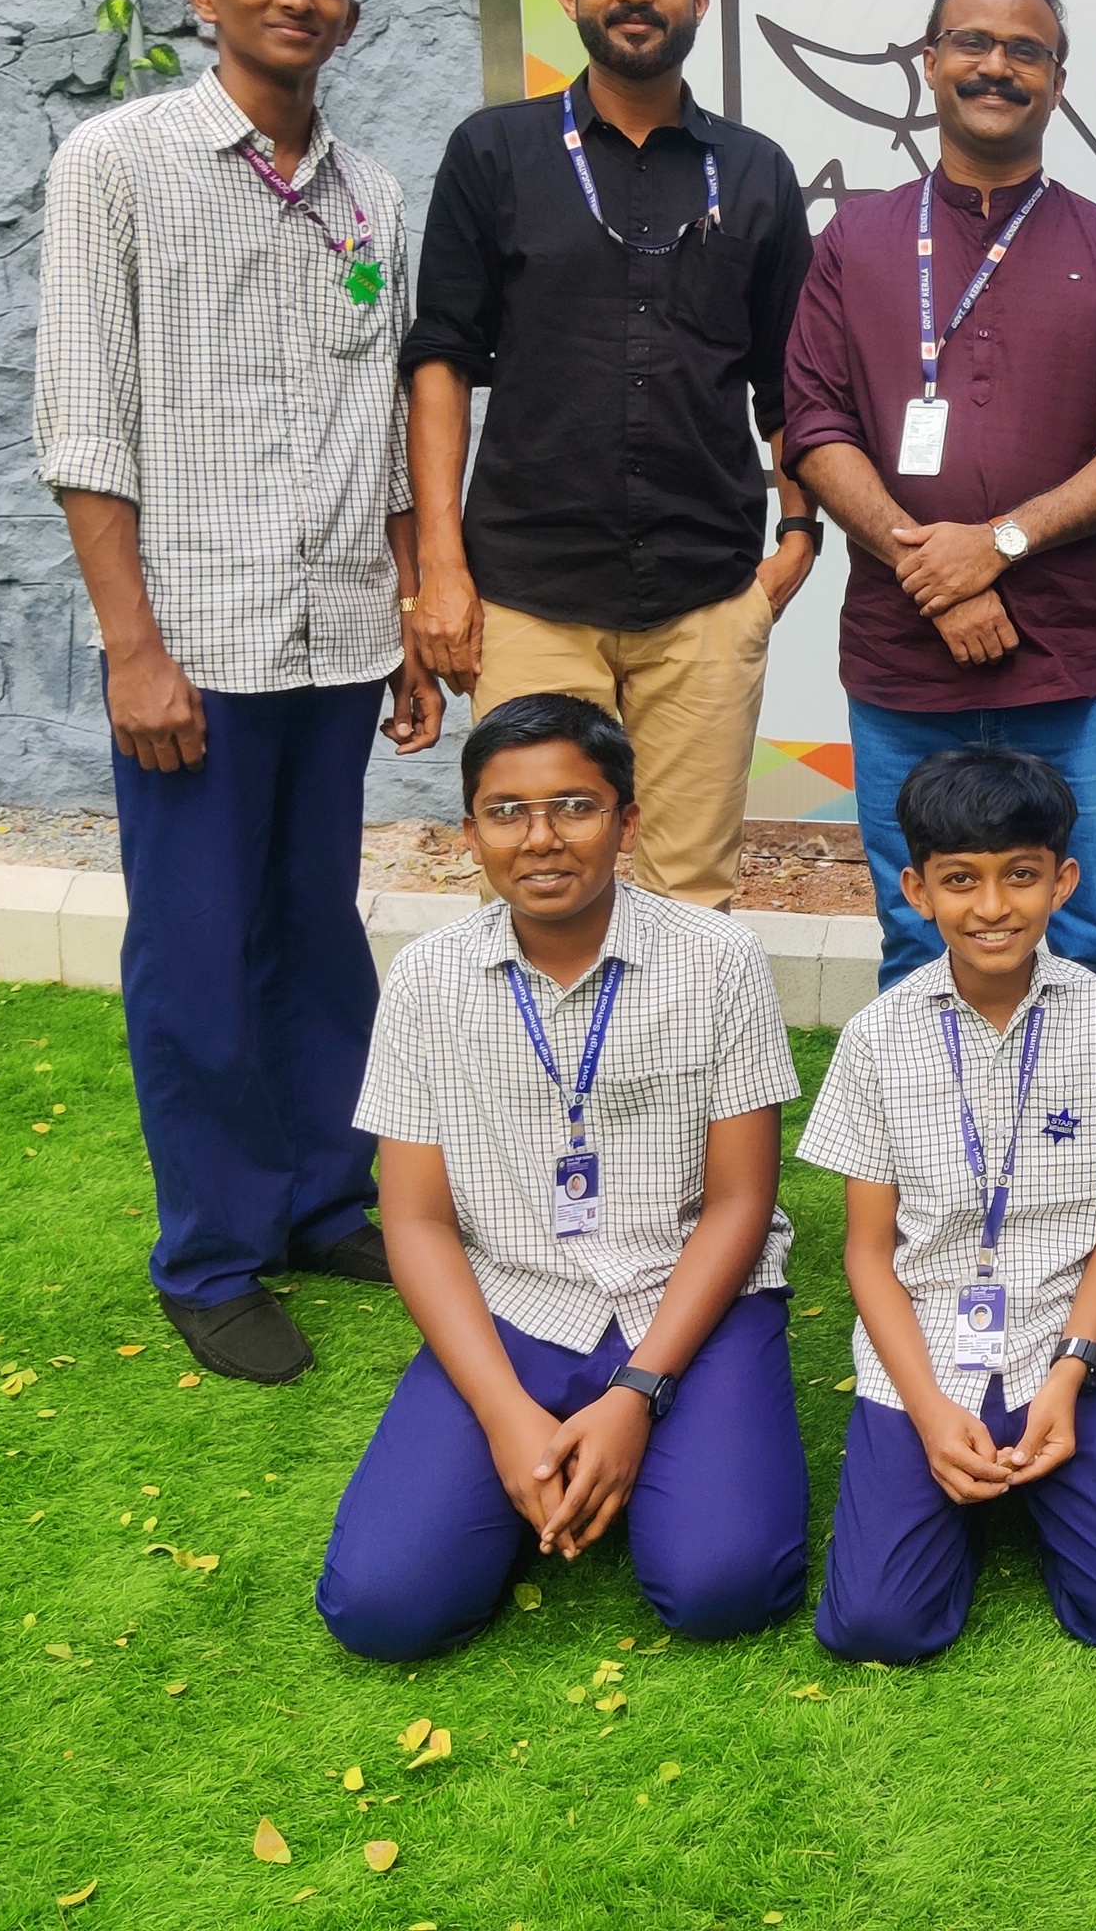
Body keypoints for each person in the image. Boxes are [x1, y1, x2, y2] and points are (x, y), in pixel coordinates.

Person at [33, 0, 443, 1384]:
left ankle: (322, 1202)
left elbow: (386, 430)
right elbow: (85, 428)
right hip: (192, 648)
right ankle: (209, 1254)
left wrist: (410, 617)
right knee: (197, 958)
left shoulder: (371, 197)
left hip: (335, 638)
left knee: (316, 936)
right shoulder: (117, 165)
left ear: (351, 10)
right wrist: (132, 650)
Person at [313, 696, 809, 1657]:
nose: (541, 839)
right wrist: (504, 1416)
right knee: (384, 1607)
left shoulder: (719, 960)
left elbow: (741, 1202)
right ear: (471, 833)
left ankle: (636, 1446)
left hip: (689, 1299)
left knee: (726, 1585)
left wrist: (634, 1396)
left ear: (627, 822)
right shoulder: (426, 979)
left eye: (576, 807)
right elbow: (415, 1222)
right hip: (515, 1302)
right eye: (506, 812)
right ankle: (532, 1459)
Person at [402, 0, 819, 913]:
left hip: (705, 594)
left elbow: (793, 379)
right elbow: (440, 358)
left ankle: (686, 1037)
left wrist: (798, 538)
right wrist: (441, 572)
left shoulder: (755, 172)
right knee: (537, 885)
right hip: (529, 595)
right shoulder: (493, 152)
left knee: (694, 897)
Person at [780, 0, 1096, 1006]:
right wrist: (934, 572)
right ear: (929, 61)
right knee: (922, 945)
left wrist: (994, 545)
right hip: (903, 667)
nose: (996, 66)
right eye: (971, 42)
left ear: (1058, 81)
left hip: (1072, 669)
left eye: (1024, 50)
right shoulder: (855, 241)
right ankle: (934, 1127)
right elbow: (814, 425)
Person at [797, 746, 1096, 1660]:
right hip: (926, 1355)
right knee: (877, 1625)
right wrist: (929, 1409)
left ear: (1063, 881)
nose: (992, 906)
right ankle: (958, 1488)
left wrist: (1070, 1372)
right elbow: (867, 1253)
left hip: (1066, 1344)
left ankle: (1052, 1474)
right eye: (960, 879)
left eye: (1020, 875)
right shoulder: (874, 1040)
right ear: (916, 889)